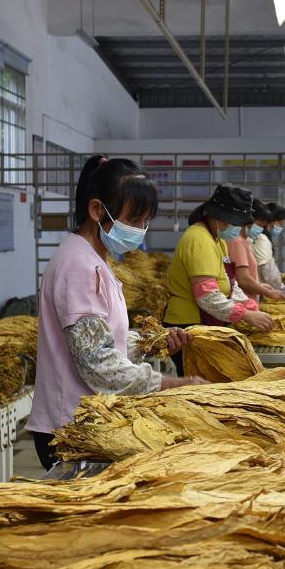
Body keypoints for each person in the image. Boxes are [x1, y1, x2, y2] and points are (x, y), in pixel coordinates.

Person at [25, 156, 204, 471]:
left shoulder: (92, 258)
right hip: (72, 428)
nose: (140, 230)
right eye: (134, 220)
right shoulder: (78, 265)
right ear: (97, 211)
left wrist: (152, 341)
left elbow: (101, 339)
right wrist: (175, 385)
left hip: (88, 419)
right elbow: (99, 365)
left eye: (146, 221)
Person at [163, 184, 277, 351]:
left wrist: (248, 304)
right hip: (187, 327)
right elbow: (207, 296)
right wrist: (245, 314)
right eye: (236, 223)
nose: (238, 229)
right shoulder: (199, 240)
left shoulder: (217, 240)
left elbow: (229, 283)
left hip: (206, 322)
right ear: (221, 218)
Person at [227, 215, 285, 303]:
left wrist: (260, 286)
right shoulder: (237, 242)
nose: (261, 229)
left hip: (250, 299)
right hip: (243, 302)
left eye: (263, 226)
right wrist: (270, 292)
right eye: (259, 225)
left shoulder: (245, 242)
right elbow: (243, 280)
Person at [250, 201, 285, 298]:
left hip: (260, 289)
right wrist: (281, 288)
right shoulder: (261, 239)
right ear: (271, 221)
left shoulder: (260, 238)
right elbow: (267, 270)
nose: (280, 227)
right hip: (261, 292)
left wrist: (282, 278)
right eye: (280, 223)